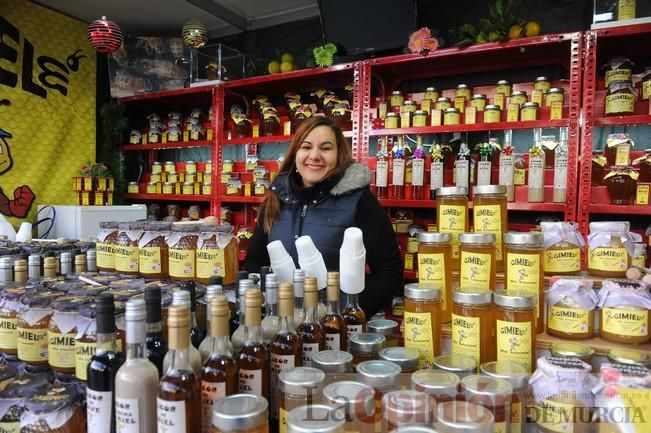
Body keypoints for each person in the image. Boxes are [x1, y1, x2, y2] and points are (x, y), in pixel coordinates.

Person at [245, 116, 403, 317]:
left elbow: (389, 271)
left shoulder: (360, 201)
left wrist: (347, 318)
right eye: (306, 147)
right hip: (281, 328)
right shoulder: (275, 200)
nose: (315, 155)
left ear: (339, 155)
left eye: (326, 148)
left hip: (334, 331)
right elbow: (255, 261)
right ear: (295, 153)